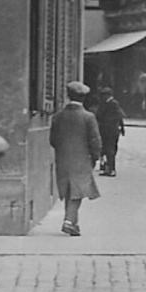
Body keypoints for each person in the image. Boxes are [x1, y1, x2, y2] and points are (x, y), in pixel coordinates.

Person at [49, 80, 101, 237]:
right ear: (84, 98)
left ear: (68, 96)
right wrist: (95, 157)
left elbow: (53, 140)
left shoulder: (58, 116)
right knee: (78, 191)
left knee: (70, 190)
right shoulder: (88, 117)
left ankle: (72, 222)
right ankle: (69, 221)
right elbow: (95, 141)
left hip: (63, 159)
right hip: (82, 159)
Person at [94, 86, 126, 176]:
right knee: (104, 150)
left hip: (111, 132)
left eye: (104, 95)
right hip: (104, 131)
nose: (102, 97)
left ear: (108, 95)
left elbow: (120, 115)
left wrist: (121, 128)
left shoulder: (113, 104)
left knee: (110, 150)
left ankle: (111, 169)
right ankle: (104, 167)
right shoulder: (103, 103)